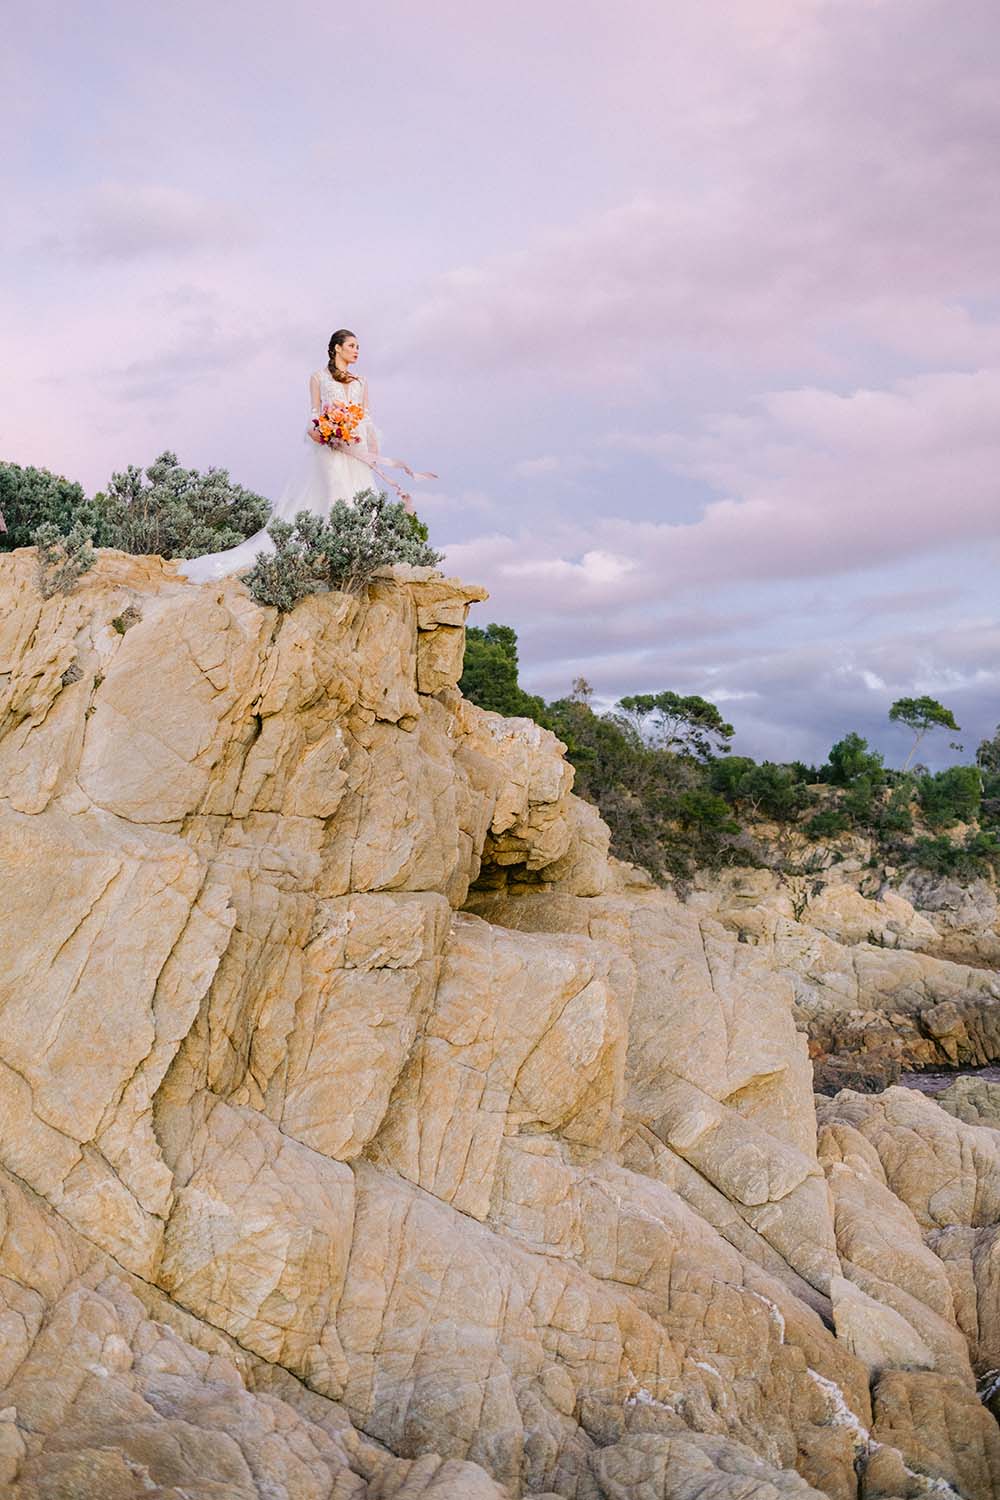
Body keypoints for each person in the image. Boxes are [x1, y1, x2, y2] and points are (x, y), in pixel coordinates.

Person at [179, 329, 400, 583]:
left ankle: (363, 550)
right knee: (335, 490)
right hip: (330, 447)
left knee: (361, 492)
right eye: (351, 345)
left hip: (356, 445)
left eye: (358, 346)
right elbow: (314, 413)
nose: (356, 350)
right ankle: (331, 550)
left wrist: (373, 448)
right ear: (337, 348)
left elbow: (366, 416)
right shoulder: (319, 378)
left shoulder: (361, 381)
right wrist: (322, 430)